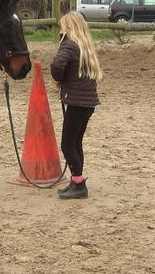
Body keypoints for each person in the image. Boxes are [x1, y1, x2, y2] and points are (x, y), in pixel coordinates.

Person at [50, 12, 102, 199]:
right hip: (87, 103)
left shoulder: (69, 44)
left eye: (62, 27)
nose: (60, 30)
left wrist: (57, 79)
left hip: (77, 102)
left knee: (67, 144)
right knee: (76, 142)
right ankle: (76, 180)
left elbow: (57, 65)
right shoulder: (85, 46)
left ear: (70, 27)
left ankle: (78, 183)